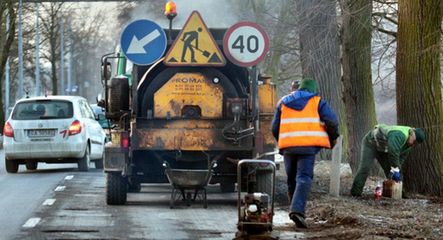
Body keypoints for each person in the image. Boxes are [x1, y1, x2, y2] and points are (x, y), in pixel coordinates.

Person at [271, 78, 339, 228]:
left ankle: (294, 209)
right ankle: (297, 211)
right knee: (303, 177)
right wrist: (333, 138)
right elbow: (332, 121)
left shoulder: (283, 102)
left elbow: (274, 127)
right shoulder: (316, 101)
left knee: (292, 179)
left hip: (289, 147)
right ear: (312, 90)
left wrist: (282, 141)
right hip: (308, 147)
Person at [350, 124, 425, 197]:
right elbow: (393, 152)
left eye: (415, 144)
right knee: (365, 168)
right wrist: (395, 168)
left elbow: (401, 158)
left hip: (383, 149)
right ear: (412, 134)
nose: (413, 144)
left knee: (390, 170)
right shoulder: (400, 135)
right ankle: (355, 192)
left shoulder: (409, 145)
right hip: (370, 143)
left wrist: (397, 170)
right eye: (414, 141)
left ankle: (397, 193)